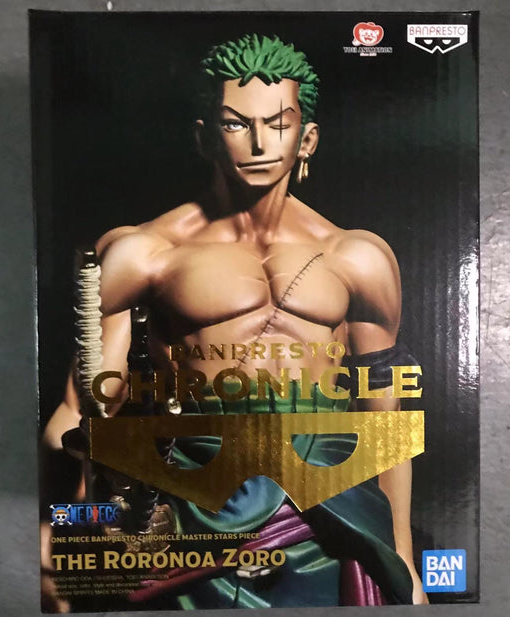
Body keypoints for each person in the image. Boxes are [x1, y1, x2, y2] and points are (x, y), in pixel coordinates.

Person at [40, 34, 427, 610]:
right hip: (194, 510)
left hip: (333, 513)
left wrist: (403, 562)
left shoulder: (358, 258)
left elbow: (385, 417)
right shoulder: (145, 253)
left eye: (278, 123)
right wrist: (60, 536)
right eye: (236, 123)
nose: (259, 142)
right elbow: (80, 414)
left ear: (307, 138)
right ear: (205, 137)